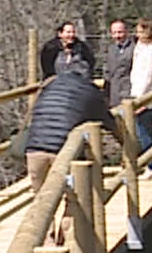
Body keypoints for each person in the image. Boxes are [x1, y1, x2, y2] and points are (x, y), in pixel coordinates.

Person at [24, 61, 116, 189]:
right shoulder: (89, 90)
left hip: (34, 150)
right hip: (63, 151)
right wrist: (126, 143)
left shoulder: (48, 87)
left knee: (41, 200)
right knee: (75, 198)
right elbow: (107, 120)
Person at [128, 18, 152, 151]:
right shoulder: (140, 47)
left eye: (140, 32)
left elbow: (148, 76)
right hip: (137, 92)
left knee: (145, 130)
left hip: (147, 94)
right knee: (143, 128)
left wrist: (141, 98)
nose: (137, 34)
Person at [104, 18, 134, 109]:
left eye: (120, 32)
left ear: (126, 32)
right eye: (114, 33)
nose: (117, 36)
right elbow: (108, 73)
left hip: (128, 94)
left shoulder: (134, 48)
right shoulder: (111, 49)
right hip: (113, 96)